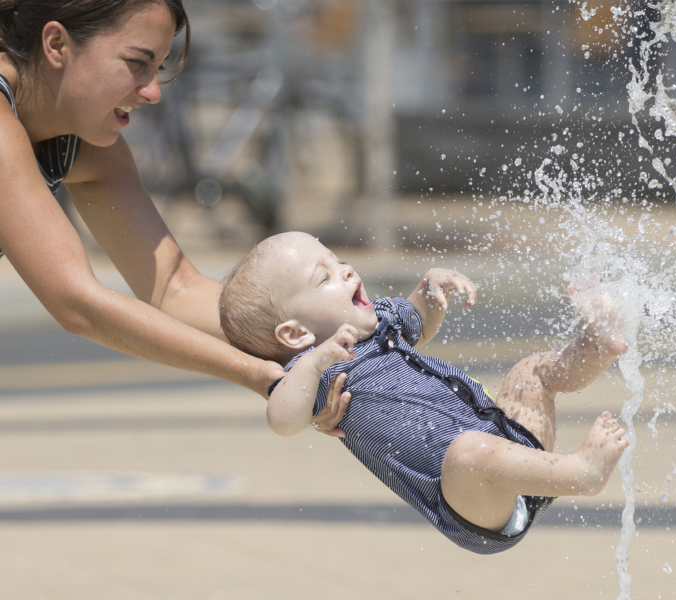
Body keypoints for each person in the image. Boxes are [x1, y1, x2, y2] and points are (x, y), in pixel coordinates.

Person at [0, 0, 347, 431]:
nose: (153, 91)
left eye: (158, 67)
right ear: (56, 44)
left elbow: (173, 287)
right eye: (136, 63)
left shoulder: (85, 144)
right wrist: (262, 375)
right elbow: (76, 303)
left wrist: (337, 338)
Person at [219, 232, 630, 554]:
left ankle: (599, 342)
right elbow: (283, 420)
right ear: (296, 333)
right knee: (470, 451)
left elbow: (419, 321)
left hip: (514, 448)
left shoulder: (378, 318)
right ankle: (581, 473)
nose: (345, 271)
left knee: (532, 372)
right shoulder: (315, 371)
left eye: (337, 260)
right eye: (323, 277)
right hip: (472, 504)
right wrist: (314, 362)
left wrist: (429, 291)